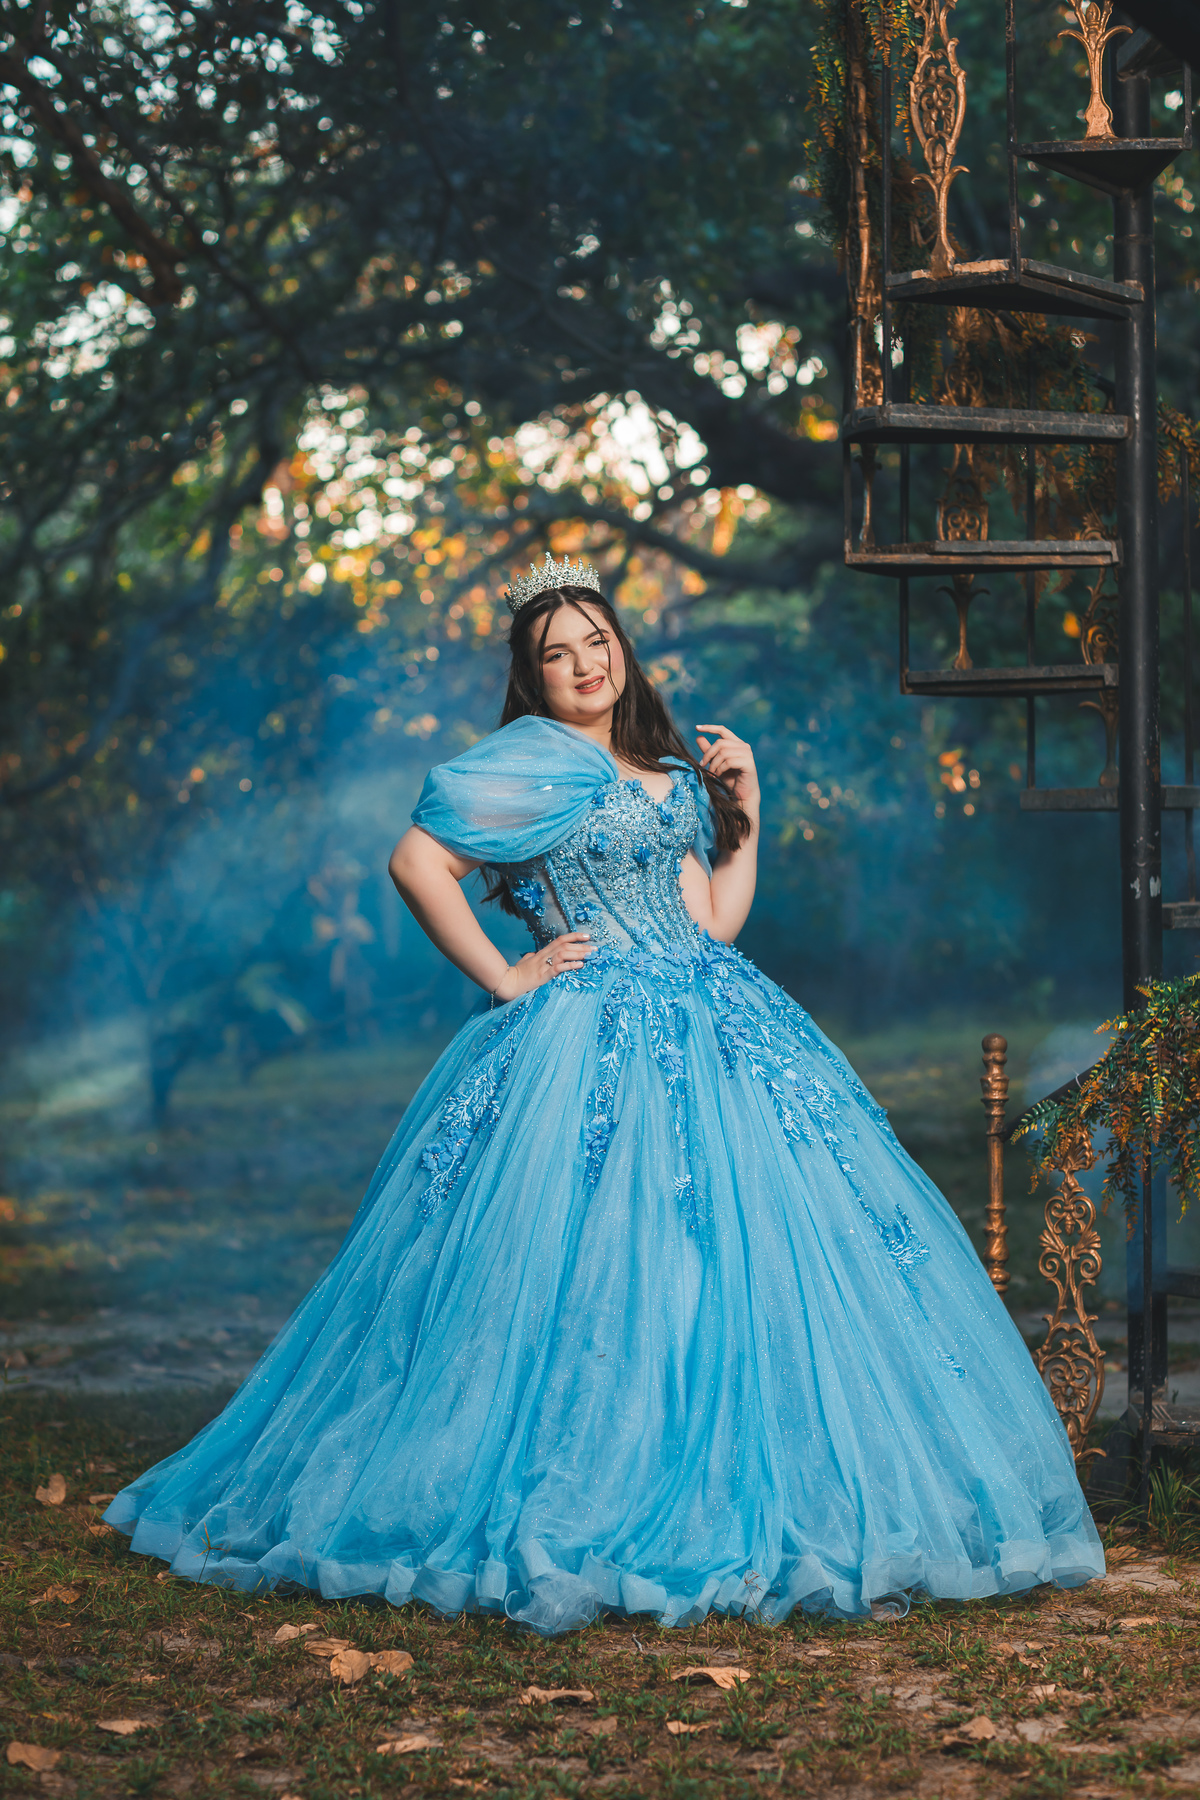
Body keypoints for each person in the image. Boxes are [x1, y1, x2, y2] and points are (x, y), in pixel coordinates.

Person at [106, 553, 1105, 1632]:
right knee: (578, 1264)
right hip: (583, 1041)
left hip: (720, 1022)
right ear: (532, 681)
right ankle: (574, 1482)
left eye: (597, 642)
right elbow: (413, 864)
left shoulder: (670, 774)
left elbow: (714, 925)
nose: (584, 665)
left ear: (622, 649)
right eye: (556, 655)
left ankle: (735, 1480)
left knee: (744, 1254)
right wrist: (506, 974)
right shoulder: (521, 769)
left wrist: (745, 810)